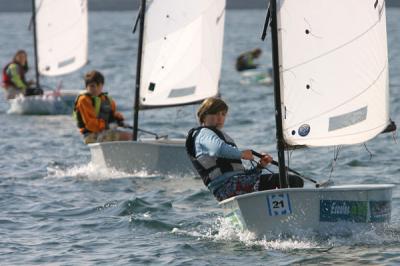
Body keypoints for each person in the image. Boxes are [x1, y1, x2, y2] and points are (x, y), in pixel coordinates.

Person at [185, 97, 303, 202]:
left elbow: (238, 173)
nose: (220, 118)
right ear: (204, 116)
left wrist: (259, 167)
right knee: (293, 181)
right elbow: (218, 149)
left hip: (235, 187)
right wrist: (241, 154)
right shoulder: (203, 134)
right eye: (215, 114)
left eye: (223, 114)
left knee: (289, 181)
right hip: (230, 187)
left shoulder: (216, 135)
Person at [73, 70, 132, 144]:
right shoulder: (83, 100)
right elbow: (90, 124)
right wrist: (107, 126)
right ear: (86, 87)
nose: (96, 89)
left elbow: (112, 116)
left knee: (133, 136)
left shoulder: (107, 100)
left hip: (104, 132)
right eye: (92, 86)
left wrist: (120, 121)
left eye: (99, 85)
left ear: (102, 85)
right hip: (91, 136)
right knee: (127, 137)